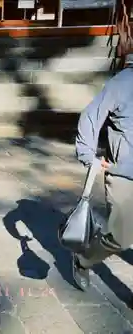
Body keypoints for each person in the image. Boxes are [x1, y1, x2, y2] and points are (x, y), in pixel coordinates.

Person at [73, 53, 133, 290]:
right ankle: (83, 259)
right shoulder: (123, 82)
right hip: (124, 175)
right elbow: (91, 116)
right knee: (121, 235)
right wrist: (88, 155)